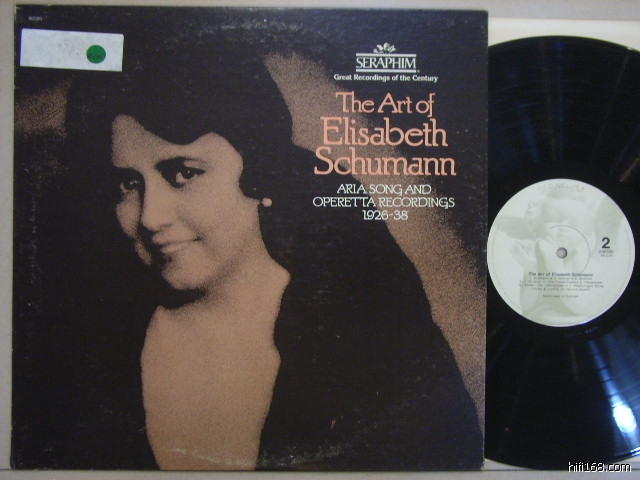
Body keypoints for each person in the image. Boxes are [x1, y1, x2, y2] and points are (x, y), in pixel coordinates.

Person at [25, 33, 482, 470]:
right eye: (129, 183)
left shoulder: (365, 327)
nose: (150, 217)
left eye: (183, 173)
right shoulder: (87, 343)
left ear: (260, 172)